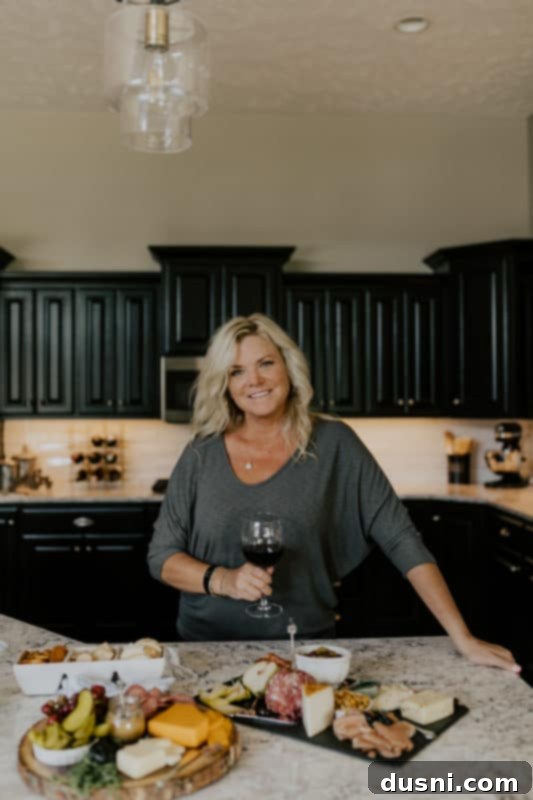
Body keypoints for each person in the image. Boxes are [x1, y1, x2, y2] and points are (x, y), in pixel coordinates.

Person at [148, 314, 520, 673]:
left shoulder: (334, 443)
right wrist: (223, 580)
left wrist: (462, 636)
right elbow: (161, 557)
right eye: (237, 371)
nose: (254, 380)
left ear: (289, 369)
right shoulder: (201, 452)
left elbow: (402, 539)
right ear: (225, 383)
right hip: (207, 651)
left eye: (265, 363)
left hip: (305, 650)